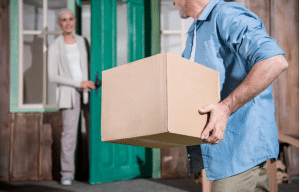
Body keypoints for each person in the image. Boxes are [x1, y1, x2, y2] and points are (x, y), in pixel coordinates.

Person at [173, 0, 289, 191]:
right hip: (219, 149)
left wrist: (225, 107)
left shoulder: (227, 15)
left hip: (244, 148)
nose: (173, 3)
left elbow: (274, 61)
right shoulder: (196, 30)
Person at [48, 10, 95, 185]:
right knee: (69, 135)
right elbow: (52, 76)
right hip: (69, 93)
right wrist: (78, 83)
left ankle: (94, 170)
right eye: (63, 20)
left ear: (74, 21)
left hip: (88, 91)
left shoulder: (83, 41)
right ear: (59, 24)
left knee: (94, 131)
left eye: (70, 19)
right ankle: (67, 173)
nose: (68, 23)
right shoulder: (55, 46)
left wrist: (88, 83)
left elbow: (90, 64)